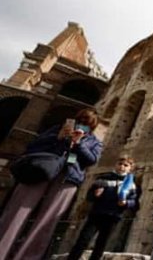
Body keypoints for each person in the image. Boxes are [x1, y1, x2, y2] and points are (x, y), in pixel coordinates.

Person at [0, 109, 102, 260]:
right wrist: (58, 137)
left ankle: (29, 257)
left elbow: (91, 160)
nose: (82, 125)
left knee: (48, 220)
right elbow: (33, 146)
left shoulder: (94, 141)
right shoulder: (57, 129)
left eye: (87, 124)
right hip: (41, 170)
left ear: (92, 127)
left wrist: (79, 144)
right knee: (17, 211)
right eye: (80, 121)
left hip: (68, 177)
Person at [67, 157, 139, 260]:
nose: (121, 167)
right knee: (83, 240)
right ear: (116, 164)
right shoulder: (104, 177)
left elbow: (133, 201)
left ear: (130, 168)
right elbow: (89, 195)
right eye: (120, 164)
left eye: (125, 165)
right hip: (97, 213)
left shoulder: (131, 184)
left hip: (113, 216)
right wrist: (95, 194)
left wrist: (126, 203)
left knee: (101, 243)